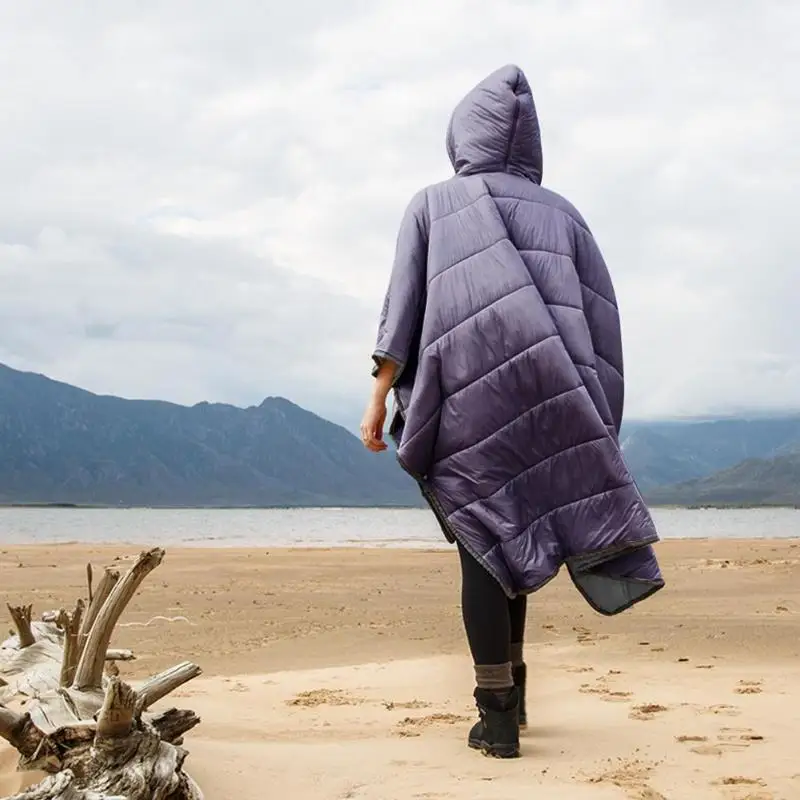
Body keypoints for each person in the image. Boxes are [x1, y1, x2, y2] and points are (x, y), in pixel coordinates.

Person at [360, 64, 664, 759]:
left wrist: (379, 396)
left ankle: (495, 717)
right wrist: (596, 417)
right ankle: (517, 694)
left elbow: (403, 307)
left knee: (482, 545)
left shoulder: (432, 203)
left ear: (462, 135)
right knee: (518, 536)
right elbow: (601, 324)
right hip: (556, 403)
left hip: (467, 402)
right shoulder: (567, 214)